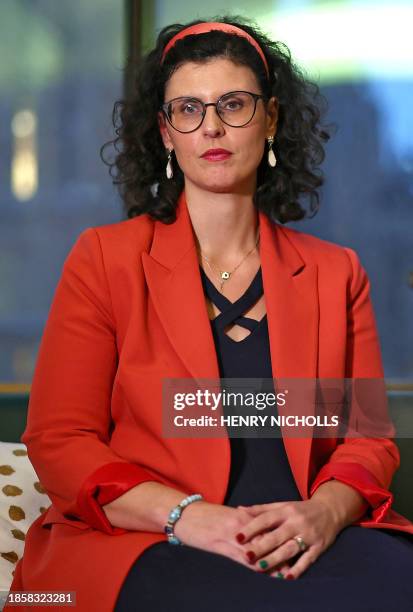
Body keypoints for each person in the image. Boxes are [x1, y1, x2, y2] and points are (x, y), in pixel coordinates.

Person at [6, 15, 413, 612]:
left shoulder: (336, 272)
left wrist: (324, 513)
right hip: (149, 540)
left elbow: (366, 440)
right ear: (166, 132)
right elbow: (61, 440)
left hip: (303, 538)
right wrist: (187, 517)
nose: (213, 126)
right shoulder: (105, 260)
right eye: (188, 109)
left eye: (234, 104)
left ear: (271, 118)